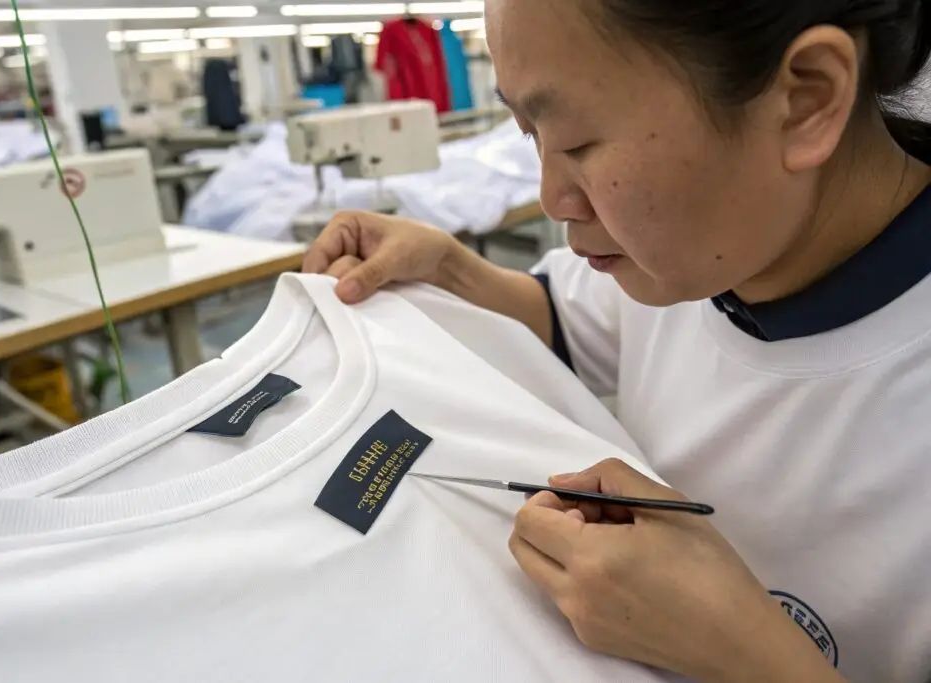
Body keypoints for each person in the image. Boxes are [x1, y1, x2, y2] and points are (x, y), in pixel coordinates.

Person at [304, 0, 931, 681]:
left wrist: (745, 648)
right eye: (528, 134)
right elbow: (566, 317)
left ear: (806, 98)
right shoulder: (692, 255)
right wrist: (451, 266)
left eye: (578, 144)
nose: (551, 196)